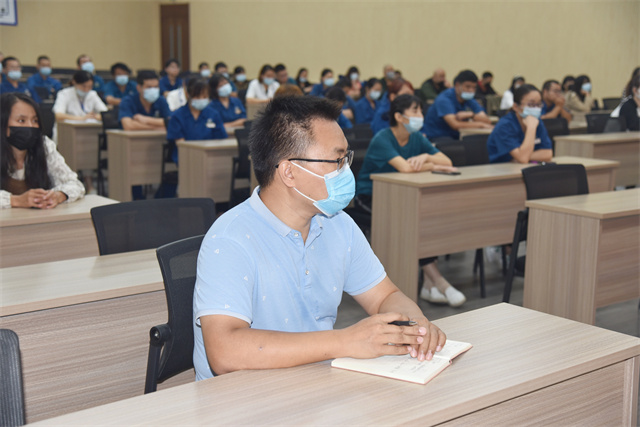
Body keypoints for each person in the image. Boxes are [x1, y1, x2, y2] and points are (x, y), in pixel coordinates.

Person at [192, 95, 447, 380]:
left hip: (314, 381)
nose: (346, 171)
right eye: (336, 160)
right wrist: (345, 341)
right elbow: (224, 352)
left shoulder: (337, 224)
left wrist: (415, 326)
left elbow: (386, 296)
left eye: (346, 159)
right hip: (244, 396)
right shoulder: (230, 238)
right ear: (289, 172)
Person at [354, 94, 464, 307]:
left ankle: (428, 285)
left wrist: (427, 157)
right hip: (371, 197)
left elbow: (448, 162)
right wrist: (433, 165)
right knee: (410, 225)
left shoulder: (416, 138)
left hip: (403, 198)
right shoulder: (382, 138)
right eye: (415, 111)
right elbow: (405, 168)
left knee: (426, 222)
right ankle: (439, 282)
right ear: (399, 116)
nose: (420, 115)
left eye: (420, 110)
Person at [1, 92, 85, 209]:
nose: (30, 126)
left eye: (35, 121)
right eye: (21, 120)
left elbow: (75, 184)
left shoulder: (44, 145)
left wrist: (58, 195)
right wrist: (16, 200)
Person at [487, 84, 553, 164]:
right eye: (531, 104)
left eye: (539, 104)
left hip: (524, 166)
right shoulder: (505, 125)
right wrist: (531, 127)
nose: (536, 108)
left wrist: (523, 156)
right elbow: (523, 158)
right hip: (501, 169)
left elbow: (548, 153)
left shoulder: (536, 121)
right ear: (516, 107)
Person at [167, 78, 227, 160]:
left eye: (205, 96)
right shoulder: (178, 116)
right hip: (186, 156)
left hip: (210, 155)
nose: (201, 99)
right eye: (198, 96)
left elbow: (220, 138)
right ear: (188, 95)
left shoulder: (213, 114)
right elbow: (180, 143)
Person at [423, 70, 492, 140]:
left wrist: (472, 115)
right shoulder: (444, 99)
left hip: (455, 136)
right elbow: (455, 125)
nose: (471, 90)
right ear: (457, 85)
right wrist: (481, 125)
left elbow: (487, 121)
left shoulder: (468, 99)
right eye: (467, 87)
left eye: (474, 87)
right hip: (436, 136)